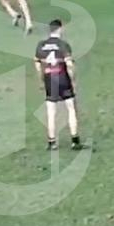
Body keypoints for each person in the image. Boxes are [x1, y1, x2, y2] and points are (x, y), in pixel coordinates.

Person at [34, 20, 83, 151]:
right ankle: (75, 140)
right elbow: (70, 65)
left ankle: (52, 142)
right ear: (60, 29)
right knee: (71, 108)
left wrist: (42, 81)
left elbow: (38, 66)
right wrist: (73, 80)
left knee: (51, 111)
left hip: (49, 78)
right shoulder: (63, 45)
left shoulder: (41, 45)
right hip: (62, 77)